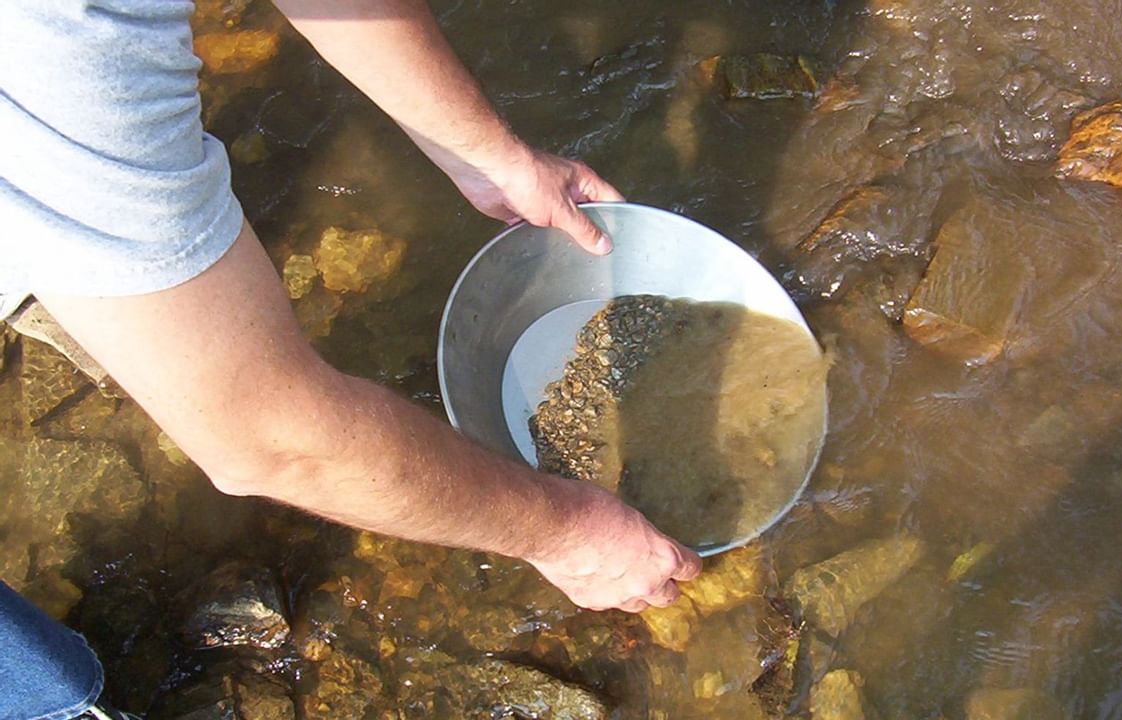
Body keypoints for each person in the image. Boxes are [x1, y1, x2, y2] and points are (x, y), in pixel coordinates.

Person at [0, 0, 702, 717]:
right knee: (41, 683)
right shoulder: (68, 54)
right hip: (46, 124)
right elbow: (270, 442)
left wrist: (491, 156)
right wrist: (571, 533)